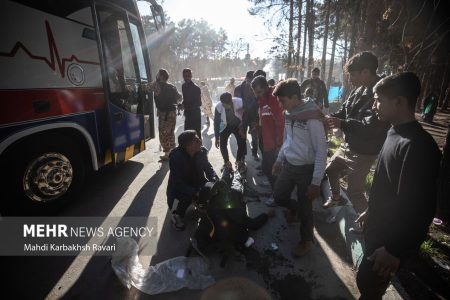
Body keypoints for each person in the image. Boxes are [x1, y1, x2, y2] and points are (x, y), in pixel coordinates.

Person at [355, 72, 441, 300]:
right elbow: (387, 183)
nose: (374, 106)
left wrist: (394, 249)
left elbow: (419, 209)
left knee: (369, 285)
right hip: (378, 229)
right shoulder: (394, 132)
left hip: (389, 242)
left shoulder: (418, 146)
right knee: (366, 283)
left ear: (400, 102)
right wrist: (371, 210)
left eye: (379, 100)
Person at [323, 52, 390, 230]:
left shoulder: (381, 94)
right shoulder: (358, 89)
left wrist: (342, 123)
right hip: (349, 145)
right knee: (331, 169)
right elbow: (344, 111)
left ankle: (368, 226)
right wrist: (329, 118)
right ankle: (336, 198)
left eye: (353, 75)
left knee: (355, 192)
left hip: (364, 151)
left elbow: (370, 128)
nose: (350, 79)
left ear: (366, 72)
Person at [271, 79, 327, 257]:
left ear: (295, 97)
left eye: (283, 101)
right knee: (279, 196)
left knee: (306, 209)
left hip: (306, 170)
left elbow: (321, 151)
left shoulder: (313, 118)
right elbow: (288, 140)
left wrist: (316, 182)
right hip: (288, 165)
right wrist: (279, 159)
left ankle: (306, 240)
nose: (281, 106)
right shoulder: (290, 114)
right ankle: (293, 209)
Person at [167, 130, 218, 230]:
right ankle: (176, 215)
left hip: (197, 182)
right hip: (180, 189)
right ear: (189, 146)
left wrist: (215, 180)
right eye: (196, 140)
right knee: (187, 196)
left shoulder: (201, 152)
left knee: (211, 190)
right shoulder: (176, 158)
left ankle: (199, 204)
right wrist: (195, 192)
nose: (200, 140)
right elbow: (178, 183)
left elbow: (208, 168)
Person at [251, 76, 284, 189]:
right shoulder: (262, 99)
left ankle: (276, 194)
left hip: (276, 142)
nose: (257, 95)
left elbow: (280, 122)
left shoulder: (274, 98)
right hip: (267, 140)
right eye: (255, 93)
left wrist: (279, 143)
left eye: (259, 92)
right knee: (267, 168)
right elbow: (264, 116)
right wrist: (259, 127)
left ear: (266, 87)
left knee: (272, 168)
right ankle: (272, 186)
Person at [146, 69, 182, 161]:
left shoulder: (156, 85)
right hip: (172, 113)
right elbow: (179, 98)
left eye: (158, 74)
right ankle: (173, 150)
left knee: (163, 133)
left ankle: (167, 153)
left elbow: (146, 88)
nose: (156, 75)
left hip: (163, 114)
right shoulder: (172, 86)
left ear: (161, 76)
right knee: (171, 132)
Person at [214, 92, 246, 171]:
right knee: (222, 144)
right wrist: (217, 137)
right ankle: (227, 162)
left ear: (231, 101)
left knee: (242, 142)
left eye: (227, 104)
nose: (226, 106)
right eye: (224, 104)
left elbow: (246, 116)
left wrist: (243, 129)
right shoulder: (218, 107)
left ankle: (239, 161)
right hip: (226, 126)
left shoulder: (240, 102)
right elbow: (216, 123)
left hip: (238, 124)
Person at [235, 71, 260, 161]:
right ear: (246, 78)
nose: (251, 83)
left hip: (254, 116)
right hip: (243, 117)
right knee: (242, 137)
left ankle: (254, 153)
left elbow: (259, 102)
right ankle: (242, 157)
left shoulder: (257, 89)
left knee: (255, 137)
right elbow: (236, 103)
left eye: (252, 81)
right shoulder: (238, 89)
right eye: (249, 80)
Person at [182, 68, 202, 138]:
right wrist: (182, 104)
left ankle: (199, 148)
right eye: (185, 76)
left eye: (188, 76)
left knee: (196, 134)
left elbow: (199, 103)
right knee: (187, 135)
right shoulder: (183, 86)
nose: (187, 78)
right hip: (188, 114)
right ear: (183, 76)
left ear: (191, 76)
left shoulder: (196, 88)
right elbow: (185, 99)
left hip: (195, 115)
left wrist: (187, 106)